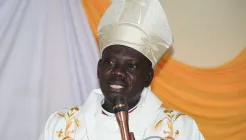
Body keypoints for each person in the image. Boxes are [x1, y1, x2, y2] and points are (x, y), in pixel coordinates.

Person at [39, 0, 205, 139]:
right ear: (98, 69)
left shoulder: (179, 129)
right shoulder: (61, 126)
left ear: (148, 77)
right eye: (110, 63)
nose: (118, 72)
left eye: (131, 66)